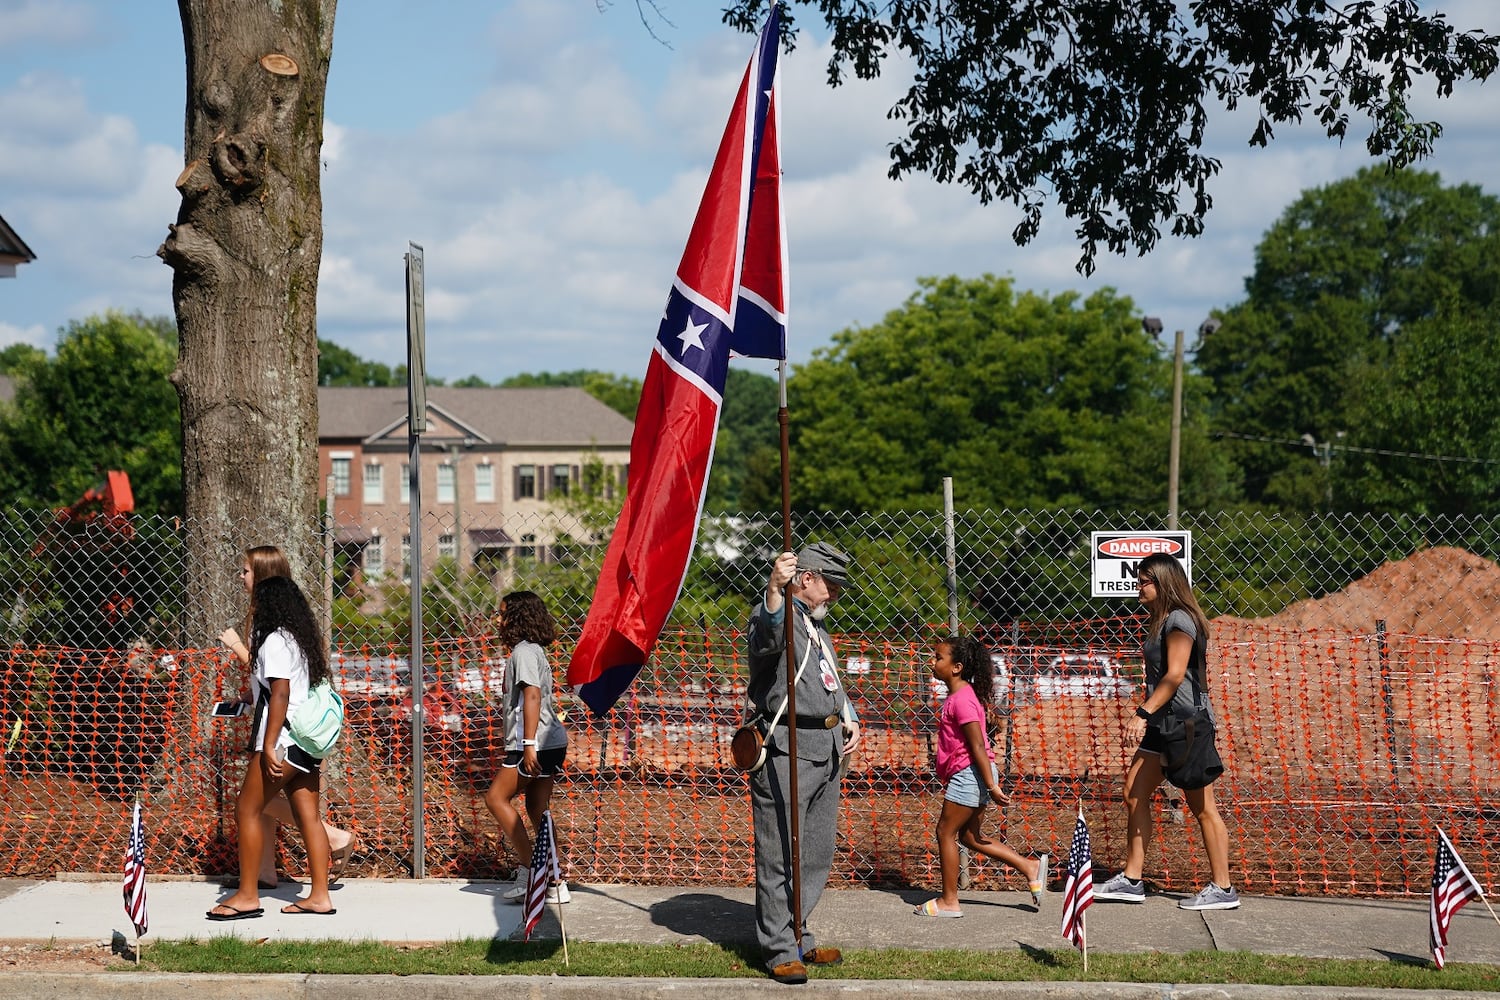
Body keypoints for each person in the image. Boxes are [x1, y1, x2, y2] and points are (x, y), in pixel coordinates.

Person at [744, 543, 861, 985]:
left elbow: (831, 682)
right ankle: (777, 948)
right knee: (778, 852)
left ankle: (798, 931)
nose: (834, 594)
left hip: (827, 747)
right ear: (805, 578)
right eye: (829, 584)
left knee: (815, 852)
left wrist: (849, 718)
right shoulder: (774, 615)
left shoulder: (818, 629)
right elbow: (768, 636)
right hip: (787, 746)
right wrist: (774, 588)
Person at [1095, 551, 1239, 910]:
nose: (1137, 587)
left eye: (1143, 581)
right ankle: (1131, 879)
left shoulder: (1179, 619)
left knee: (1202, 806)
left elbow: (1175, 675)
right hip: (1164, 723)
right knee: (1134, 792)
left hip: (1187, 723)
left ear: (1163, 582)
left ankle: (1223, 888)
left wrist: (1142, 713)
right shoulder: (1162, 620)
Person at [218, 545, 355, 888]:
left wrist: (235, 646)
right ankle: (271, 875)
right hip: (284, 727)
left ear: (262, 577)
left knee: (251, 804)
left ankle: (330, 839)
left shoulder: (274, 632)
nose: (241, 576)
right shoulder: (291, 626)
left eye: (246, 571)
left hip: (282, 731)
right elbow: (273, 680)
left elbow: (279, 685)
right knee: (279, 806)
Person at [208, 575, 336, 918]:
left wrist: (268, 745)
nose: (252, 608)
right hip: (306, 742)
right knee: (308, 816)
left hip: (283, 739)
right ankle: (320, 896)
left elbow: (281, 693)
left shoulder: (274, 641)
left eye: (256, 602)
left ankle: (247, 895)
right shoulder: (300, 640)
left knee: (247, 809)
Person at [915, 634, 1047, 917]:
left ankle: (949, 901)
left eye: (939, 657)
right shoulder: (962, 696)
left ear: (957, 667)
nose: (932, 662)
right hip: (972, 773)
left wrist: (992, 785)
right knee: (971, 837)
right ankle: (1029, 867)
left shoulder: (961, 699)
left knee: (945, 833)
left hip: (970, 775)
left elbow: (977, 745)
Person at [482, 590, 571, 904]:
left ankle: (531, 866)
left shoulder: (523, 652)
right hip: (549, 742)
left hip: (534, 743)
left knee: (495, 798)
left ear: (517, 617)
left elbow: (532, 695)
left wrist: (529, 745)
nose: (498, 619)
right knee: (538, 809)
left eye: (502, 612)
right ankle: (556, 881)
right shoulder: (531, 651)